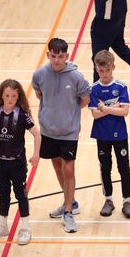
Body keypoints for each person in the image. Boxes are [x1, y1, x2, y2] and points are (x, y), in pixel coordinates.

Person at [31, 38, 91, 234]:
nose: (57, 60)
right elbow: (39, 94)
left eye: (61, 56)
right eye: (53, 56)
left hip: (69, 131)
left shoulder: (76, 77)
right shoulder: (40, 74)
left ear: (67, 56)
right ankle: (70, 202)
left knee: (69, 170)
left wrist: (69, 114)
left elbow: (85, 100)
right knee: (57, 166)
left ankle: (68, 212)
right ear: (48, 55)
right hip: (48, 129)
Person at [0, 80, 41, 246]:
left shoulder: (22, 115)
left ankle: (25, 228)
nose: (10, 99)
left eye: (13, 96)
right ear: (2, 95)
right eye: (7, 95)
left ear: (18, 97)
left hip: (17, 163)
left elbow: (37, 135)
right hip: (0, 163)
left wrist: (36, 154)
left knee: (20, 194)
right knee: (2, 193)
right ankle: (3, 226)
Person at [88, 50, 130, 219]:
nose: (105, 74)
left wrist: (105, 108)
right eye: (101, 71)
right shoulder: (93, 89)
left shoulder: (121, 87)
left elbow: (125, 112)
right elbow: (95, 115)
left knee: (124, 167)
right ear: (96, 69)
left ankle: (127, 200)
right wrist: (114, 108)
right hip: (102, 135)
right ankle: (108, 199)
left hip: (120, 134)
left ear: (113, 67)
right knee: (105, 167)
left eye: (107, 70)